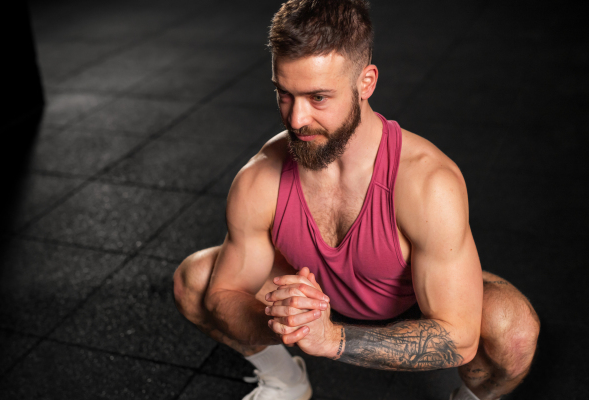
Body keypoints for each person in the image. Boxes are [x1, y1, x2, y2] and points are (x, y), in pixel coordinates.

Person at [173, 1, 540, 399]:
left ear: (365, 83)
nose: (296, 119)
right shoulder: (261, 177)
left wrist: (332, 338)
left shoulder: (426, 181)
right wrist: (288, 321)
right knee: (193, 280)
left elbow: (459, 338)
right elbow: (223, 295)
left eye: (318, 98)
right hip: (315, 297)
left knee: (513, 330)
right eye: (284, 94)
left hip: (410, 303)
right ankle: (286, 382)